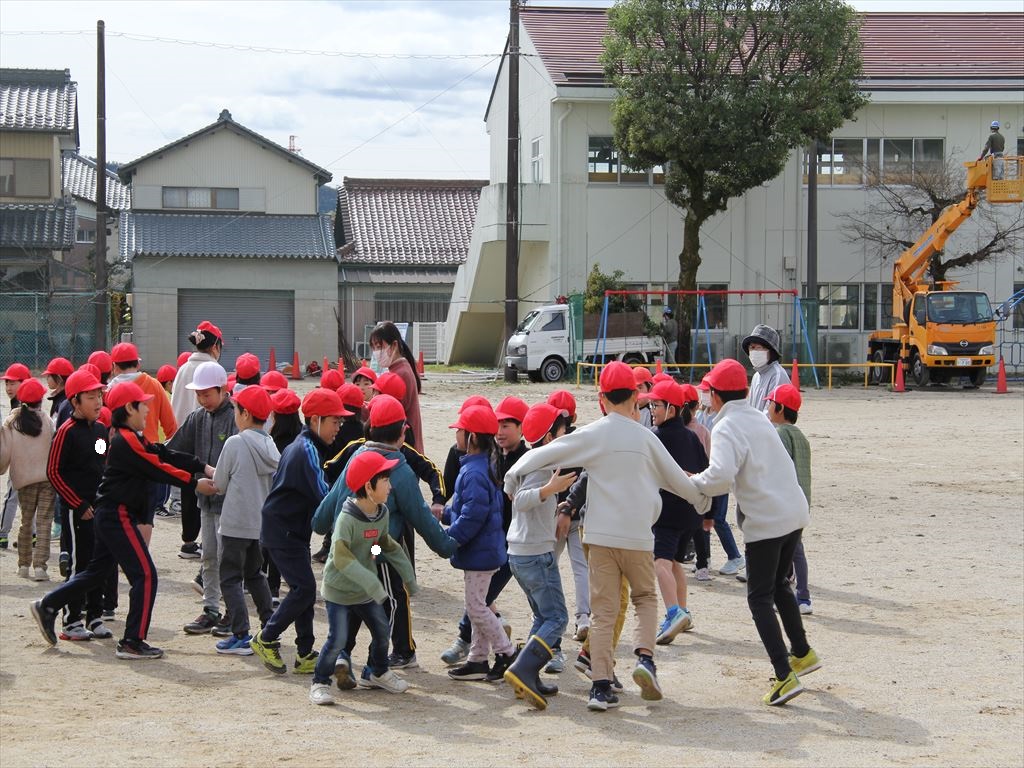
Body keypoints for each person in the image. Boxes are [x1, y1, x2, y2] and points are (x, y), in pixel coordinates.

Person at [503, 361, 711, 712]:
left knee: (602, 612)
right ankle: (645, 660)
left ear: (601, 398)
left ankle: (600, 688)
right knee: (645, 598)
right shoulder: (646, 437)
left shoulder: (594, 433)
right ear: (635, 397)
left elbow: (548, 452)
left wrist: (513, 474)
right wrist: (702, 500)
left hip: (599, 537)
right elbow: (677, 479)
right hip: (638, 537)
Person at [30, 381, 218, 660]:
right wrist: (194, 481)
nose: (148, 410)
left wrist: (200, 466)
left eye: (99, 396)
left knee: (96, 572)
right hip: (105, 511)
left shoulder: (110, 434)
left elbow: (156, 453)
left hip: (105, 509)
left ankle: (52, 605)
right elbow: (157, 467)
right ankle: (125, 639)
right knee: (142, 575)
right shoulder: (94, 435)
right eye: (143, 405)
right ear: (129, 408)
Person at [688, 360, 820, 705]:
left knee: (759, 597)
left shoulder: (726, 426)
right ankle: (802, 652)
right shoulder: (759, 418)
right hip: (793, 513)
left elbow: (719, 478)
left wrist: (693, 481)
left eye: (708, 392)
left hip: (767, 521)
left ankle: (784, 675)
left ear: (716, 395)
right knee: (779, 585)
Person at [314, 395, 456, 675]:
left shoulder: (357, 458)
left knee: (353, 600)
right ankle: (395, 654)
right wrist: (448, 546)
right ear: (403, 432)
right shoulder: (399, 471)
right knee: (394, 597)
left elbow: (329, 503)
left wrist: (319, 524)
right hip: (377, 549)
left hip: (349, 550)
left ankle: (343, 654)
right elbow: (421, 517)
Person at [249, 388, 349, 675]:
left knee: (302, 589)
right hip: (284, 531)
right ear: (315, 420)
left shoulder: (305, 446)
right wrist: (351, 517)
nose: (338, 428)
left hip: (291, 531)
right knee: (304, 589)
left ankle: (305, 652)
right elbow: (324, 494)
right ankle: (267, 637)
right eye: (335, 422)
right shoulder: (306, 451)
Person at [309, 451, 416, 705]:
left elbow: (382, 543)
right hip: (339, 591)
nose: (390, 486)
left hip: (365, 592)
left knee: (382, 631)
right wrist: (372, 582)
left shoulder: (382, 512)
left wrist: (405, 575)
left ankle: (377, 672)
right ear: (369, 487)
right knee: (337, 640)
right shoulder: (346, 519)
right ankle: (319, 683)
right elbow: (341, 557)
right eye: (385, 481)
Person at [439, 396, 524, 669]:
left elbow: (472, 517)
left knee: (477, 607)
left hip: (480, 551)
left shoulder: (474, 472)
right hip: (484, 548)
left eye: (459, 431)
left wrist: (450, 537)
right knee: (479, 604)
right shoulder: (480, 465)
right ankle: (477, 659)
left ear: (472, 437)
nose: (456, 435)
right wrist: (444, 514)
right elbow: (472, 509)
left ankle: (506, 653)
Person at [502, 403, 575, 710]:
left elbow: (510, 483)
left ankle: (525, 671)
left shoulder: (530, 459)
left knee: (543, 617)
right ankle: (524, 669)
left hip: (521, 553)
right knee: (558, 618)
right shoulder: (542, 467)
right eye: (562, 431)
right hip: (534, 554)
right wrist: (548, 489)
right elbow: (520, 500)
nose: (566, 434)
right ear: (548, 438)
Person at [43, 371, 113, 639]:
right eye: (91, 397)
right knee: (79, 564)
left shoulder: (99, 430)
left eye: (99, 396)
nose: (98, 402)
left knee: (99, 562)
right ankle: (71, 621)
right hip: (77, 511)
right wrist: (77, 504)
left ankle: (94, 616)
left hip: (99, 508)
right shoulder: (66, 432)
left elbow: (101, 461)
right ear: (75, 401)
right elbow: (53, 472)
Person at [167, 361, 236, 634]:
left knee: (229, 558)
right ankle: (211, 609)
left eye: (207, 394)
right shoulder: (197, 418)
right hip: (205, 502)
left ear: (222, 389)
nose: (202, 399)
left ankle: (233, 612)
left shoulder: (235, 417)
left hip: (230, 504)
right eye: (198, 394)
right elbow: (174, 449)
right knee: (208, 556)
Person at [210, 385, 280, 656]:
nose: (235, 415)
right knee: (254, 574)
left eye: (237, 410)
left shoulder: (235, 443)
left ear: (246, 414)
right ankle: (270, 627)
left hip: (235, 521)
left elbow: (219, 483)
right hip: (259, 524)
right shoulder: (270, 444)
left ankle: (240, 634)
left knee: (229, 577)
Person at [646, 380, 710, 645]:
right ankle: (684, 612)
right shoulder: (692, 436)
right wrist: (709, 513)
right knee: (674, 563)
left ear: (671, 409)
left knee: (660, 563)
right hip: (691, 514)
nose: (652, 410)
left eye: (656, 405)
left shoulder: (655, 437)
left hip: (667, 514)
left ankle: (673, 613)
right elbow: (706, 471)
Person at [108, 342, 178, 532]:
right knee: (145, 517)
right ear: (138, 364)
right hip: (149, 458)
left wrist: (101, 453)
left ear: (114, 367)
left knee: (119, 516)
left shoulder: (109, 391)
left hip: (117, 461)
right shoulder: (153, 385)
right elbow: (171, 427)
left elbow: (100, 433)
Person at [170, 320, 224, 561]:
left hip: (183, 434)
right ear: (216, 346)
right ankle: (209, 542)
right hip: (205, 435)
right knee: (211, 490)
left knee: (189, 488)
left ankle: (189, 542)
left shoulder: (183, 368)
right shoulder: (212, 368)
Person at [0, 378, 56, 581]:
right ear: (41, 399)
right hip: (47, 479)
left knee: (26, 521)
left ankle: (23, 565)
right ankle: (40, 567)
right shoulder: (47, 420)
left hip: (24, 480)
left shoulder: (12, 421)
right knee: (44, 523)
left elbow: (4, 452)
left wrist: (3, 468)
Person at [765, 384, 814, 615]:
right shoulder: (801, 436)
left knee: (780, 551)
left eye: (770, 403)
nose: (767, 407)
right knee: (796, 549)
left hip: (785, 501)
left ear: (780, 408)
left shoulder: (780, 434)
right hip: (802, 500)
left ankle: (783, 596)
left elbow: (777, 469)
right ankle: (803, 597)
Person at [547, 389, 590, 642]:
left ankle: (547, 614)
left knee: (548, 564)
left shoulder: (549, 442)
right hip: (578, 513)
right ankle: (583, 617)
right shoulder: (582, 440)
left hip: (553, 513)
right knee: (581, 567)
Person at [368, 322, 423, 453]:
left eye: (379, 346)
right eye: (374, 348)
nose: (376, 352)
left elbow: (385, 413)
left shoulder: (400, 374)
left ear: (394, 345)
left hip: (404, 447)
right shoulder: (400, 368)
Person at [0, 362, 31, 549]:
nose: (8, 387)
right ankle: (33, 534)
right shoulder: (25, 402)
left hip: (21, 459)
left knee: (11, 496)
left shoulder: (21, 407)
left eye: (13, 383)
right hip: (31, 459)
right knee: (27, 498)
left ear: (24, 383)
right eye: (7, 383)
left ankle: (2, 534)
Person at [743, 324, 790, 413]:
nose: (754, 351)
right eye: (752, 347)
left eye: (759, 347)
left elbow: (772, 413)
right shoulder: (756, 376)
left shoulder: (777, 375)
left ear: (770, 351)